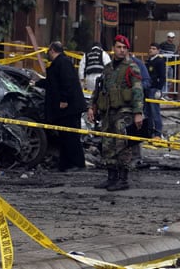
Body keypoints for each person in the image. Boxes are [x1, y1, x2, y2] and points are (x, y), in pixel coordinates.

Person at [87, 35, 144, 191]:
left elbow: (138, 90)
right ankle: (111, 177)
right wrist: (92, 107)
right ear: (113, 48)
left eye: (124, 48)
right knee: (107, 145)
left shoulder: (131, 67)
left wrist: (138, 112)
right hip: (108, 112)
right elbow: (99, 90)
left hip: (124, 112)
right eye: (119, 47)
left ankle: (123, 179)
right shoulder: (108, 68)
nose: (121, 50)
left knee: (123, 146)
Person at [35, 41, 87, 172]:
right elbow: (53, 83)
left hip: (69, 108)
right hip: (66, 109)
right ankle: (66, 164)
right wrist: (37, 83)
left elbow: (67, 82)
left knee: (71, 136)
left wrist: (64, 100)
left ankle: (77, 163)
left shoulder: (62, 63)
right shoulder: (60, 63)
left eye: (48, 52)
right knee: (65, 136)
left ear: (52, 50)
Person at [146, 43, 166, 139]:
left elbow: (162, 77)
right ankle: (149, 132)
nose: (151, 50)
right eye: (150, 48)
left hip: (154, 89)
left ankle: (158, 132)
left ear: (158, 50)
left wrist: (159, 89)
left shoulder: (160, 61)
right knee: (147, 112)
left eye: (154, 49)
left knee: (155, 111)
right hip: (147, 89)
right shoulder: (148, 61)